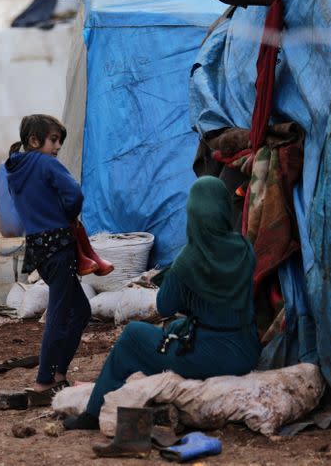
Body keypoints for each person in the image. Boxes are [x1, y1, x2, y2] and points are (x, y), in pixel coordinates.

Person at [63, 176, 261, 430]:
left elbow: (165, 306)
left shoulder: (187, 260)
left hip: (212, 357)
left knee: (134, 336)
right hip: (246, 351)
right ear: (224, 209)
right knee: (178, 329)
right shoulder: (245, 250)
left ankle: (92, 413)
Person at [5, 114, 92, 405]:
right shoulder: (45, 164)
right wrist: (68, 214)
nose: (57, 147)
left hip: (39, 249)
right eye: (53, 140)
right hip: (60, 246)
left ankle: (58, 375)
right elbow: (75, 193)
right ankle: (44, 381)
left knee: (80, 310)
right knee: (58, 312)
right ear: (34, 140)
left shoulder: (15, 169)